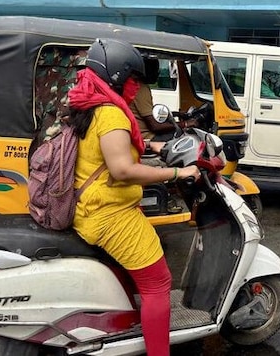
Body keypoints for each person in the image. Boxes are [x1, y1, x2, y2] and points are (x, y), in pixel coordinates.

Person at [67, 38, 200, 356]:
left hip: (91, 208)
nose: (136, 86)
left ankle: (127, 324)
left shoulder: (89, 103)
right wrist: (178, 174)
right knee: (158, 283)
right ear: (117, 76)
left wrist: (155, 147)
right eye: (134, 79)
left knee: (138, 275)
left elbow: (107, 149)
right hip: (110, 214)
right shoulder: (110, 113)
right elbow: (123, 170)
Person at [130, 57, 197, 141]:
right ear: (145, 71)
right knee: (186, 140)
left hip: (140, 134)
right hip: (146, 137)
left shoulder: (136, 86)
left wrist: (176, 114)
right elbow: (155, 126)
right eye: (155, 70)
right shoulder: (141, 89)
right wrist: (185, 124)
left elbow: (152, 115)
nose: (158, 74)